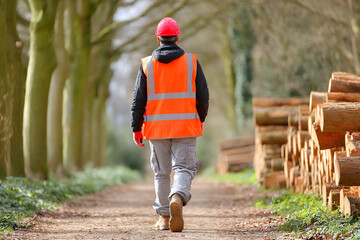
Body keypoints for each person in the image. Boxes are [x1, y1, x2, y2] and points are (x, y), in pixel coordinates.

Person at [131, 17, 209, 232]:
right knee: (184, 168)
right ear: (177, 37)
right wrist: (200, 119)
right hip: (185, 127)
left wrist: (136, 128)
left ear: (158, 38)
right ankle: (178, 195)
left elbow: (138, 101)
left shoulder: (147, 65)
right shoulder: (192, 62)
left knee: (161, 173)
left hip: (156, 129)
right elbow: (203, 96)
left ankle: (164, 218)